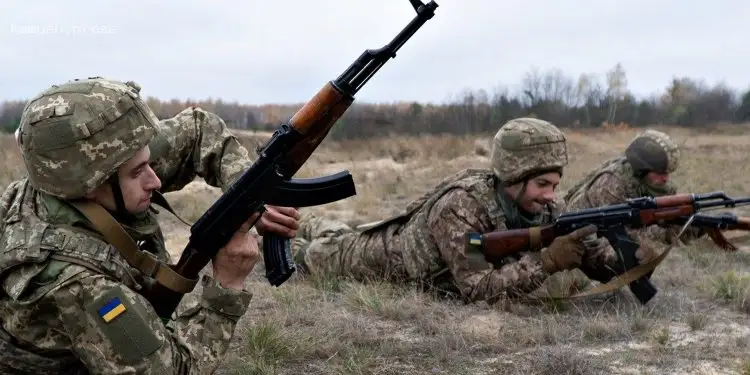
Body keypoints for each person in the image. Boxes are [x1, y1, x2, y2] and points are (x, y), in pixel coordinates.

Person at [0, 77, 300, 374]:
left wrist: (248, 191)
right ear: (89, 186)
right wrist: (227, 287)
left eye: (148, 162)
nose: (155, 180)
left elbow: (198, 129)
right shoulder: (77, 285)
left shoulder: (92, 162)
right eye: (138, 172)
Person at [291, 117, 618, 304]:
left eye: (555, 185)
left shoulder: (549, 205)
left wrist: (623, 255)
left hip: (418, 256)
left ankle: (309, 220)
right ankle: (276, 227)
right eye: (542, 184)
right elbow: (477, 290)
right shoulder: (461, 206)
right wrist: (546, 262)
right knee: (312, 254)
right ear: (514, 179)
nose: (551, 196)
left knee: (333, 230)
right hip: (383, 260)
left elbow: (594, 257)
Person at [563, 129, 706, 260]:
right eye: (660, 173)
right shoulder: (612, 184)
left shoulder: (649, 182)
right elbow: (624, 233)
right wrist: (669, 234)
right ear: (643, 168)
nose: (666, 178)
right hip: (581, 234)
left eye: (668, 173)